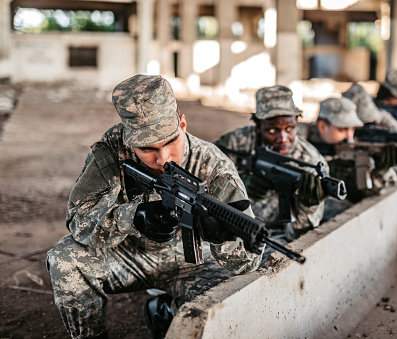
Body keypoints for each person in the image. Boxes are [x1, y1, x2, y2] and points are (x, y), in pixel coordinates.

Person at [46, 74, 263, 339]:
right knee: (65, 258)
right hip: (128, 256)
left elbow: (248, 263)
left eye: (171, 142)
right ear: (129, 142)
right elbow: (78, 219)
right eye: (147, 149)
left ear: (182, 125)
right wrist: (132, 217)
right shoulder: (111, 151)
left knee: (231, 308)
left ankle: (165, 315)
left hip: (193, 264)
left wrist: (222, 240)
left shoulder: (215, 167)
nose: (163, 159)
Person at [214, 85, 327, 245]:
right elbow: (201, 170)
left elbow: (300, 237)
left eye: (290, 128)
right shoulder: (236, 142)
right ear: (258, 126)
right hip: (234, 226)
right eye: (272, 130)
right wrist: (237, 184)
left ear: (297, 123)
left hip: (277, 235)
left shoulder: (311, 162)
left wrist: (309, 206)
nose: (282, 138)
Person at [298, 97, 397, 218]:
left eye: (352, 129)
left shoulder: (356, 148)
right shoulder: (300, 145)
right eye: (342, 129)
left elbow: (385, 193)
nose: (349, 136)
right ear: (322, 126)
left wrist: (382, 170)